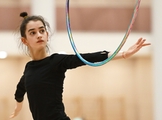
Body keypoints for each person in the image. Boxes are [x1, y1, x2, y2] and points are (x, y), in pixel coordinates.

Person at [9, 12, 151, 120]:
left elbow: (86, 58)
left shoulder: (56, 61)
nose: (39, 35)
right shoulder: (29, 68)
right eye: (33, 33)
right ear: (25, 40)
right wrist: (18, 107)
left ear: (47, 34)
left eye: (41, 31)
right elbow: (20, 89)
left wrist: (124, 53)